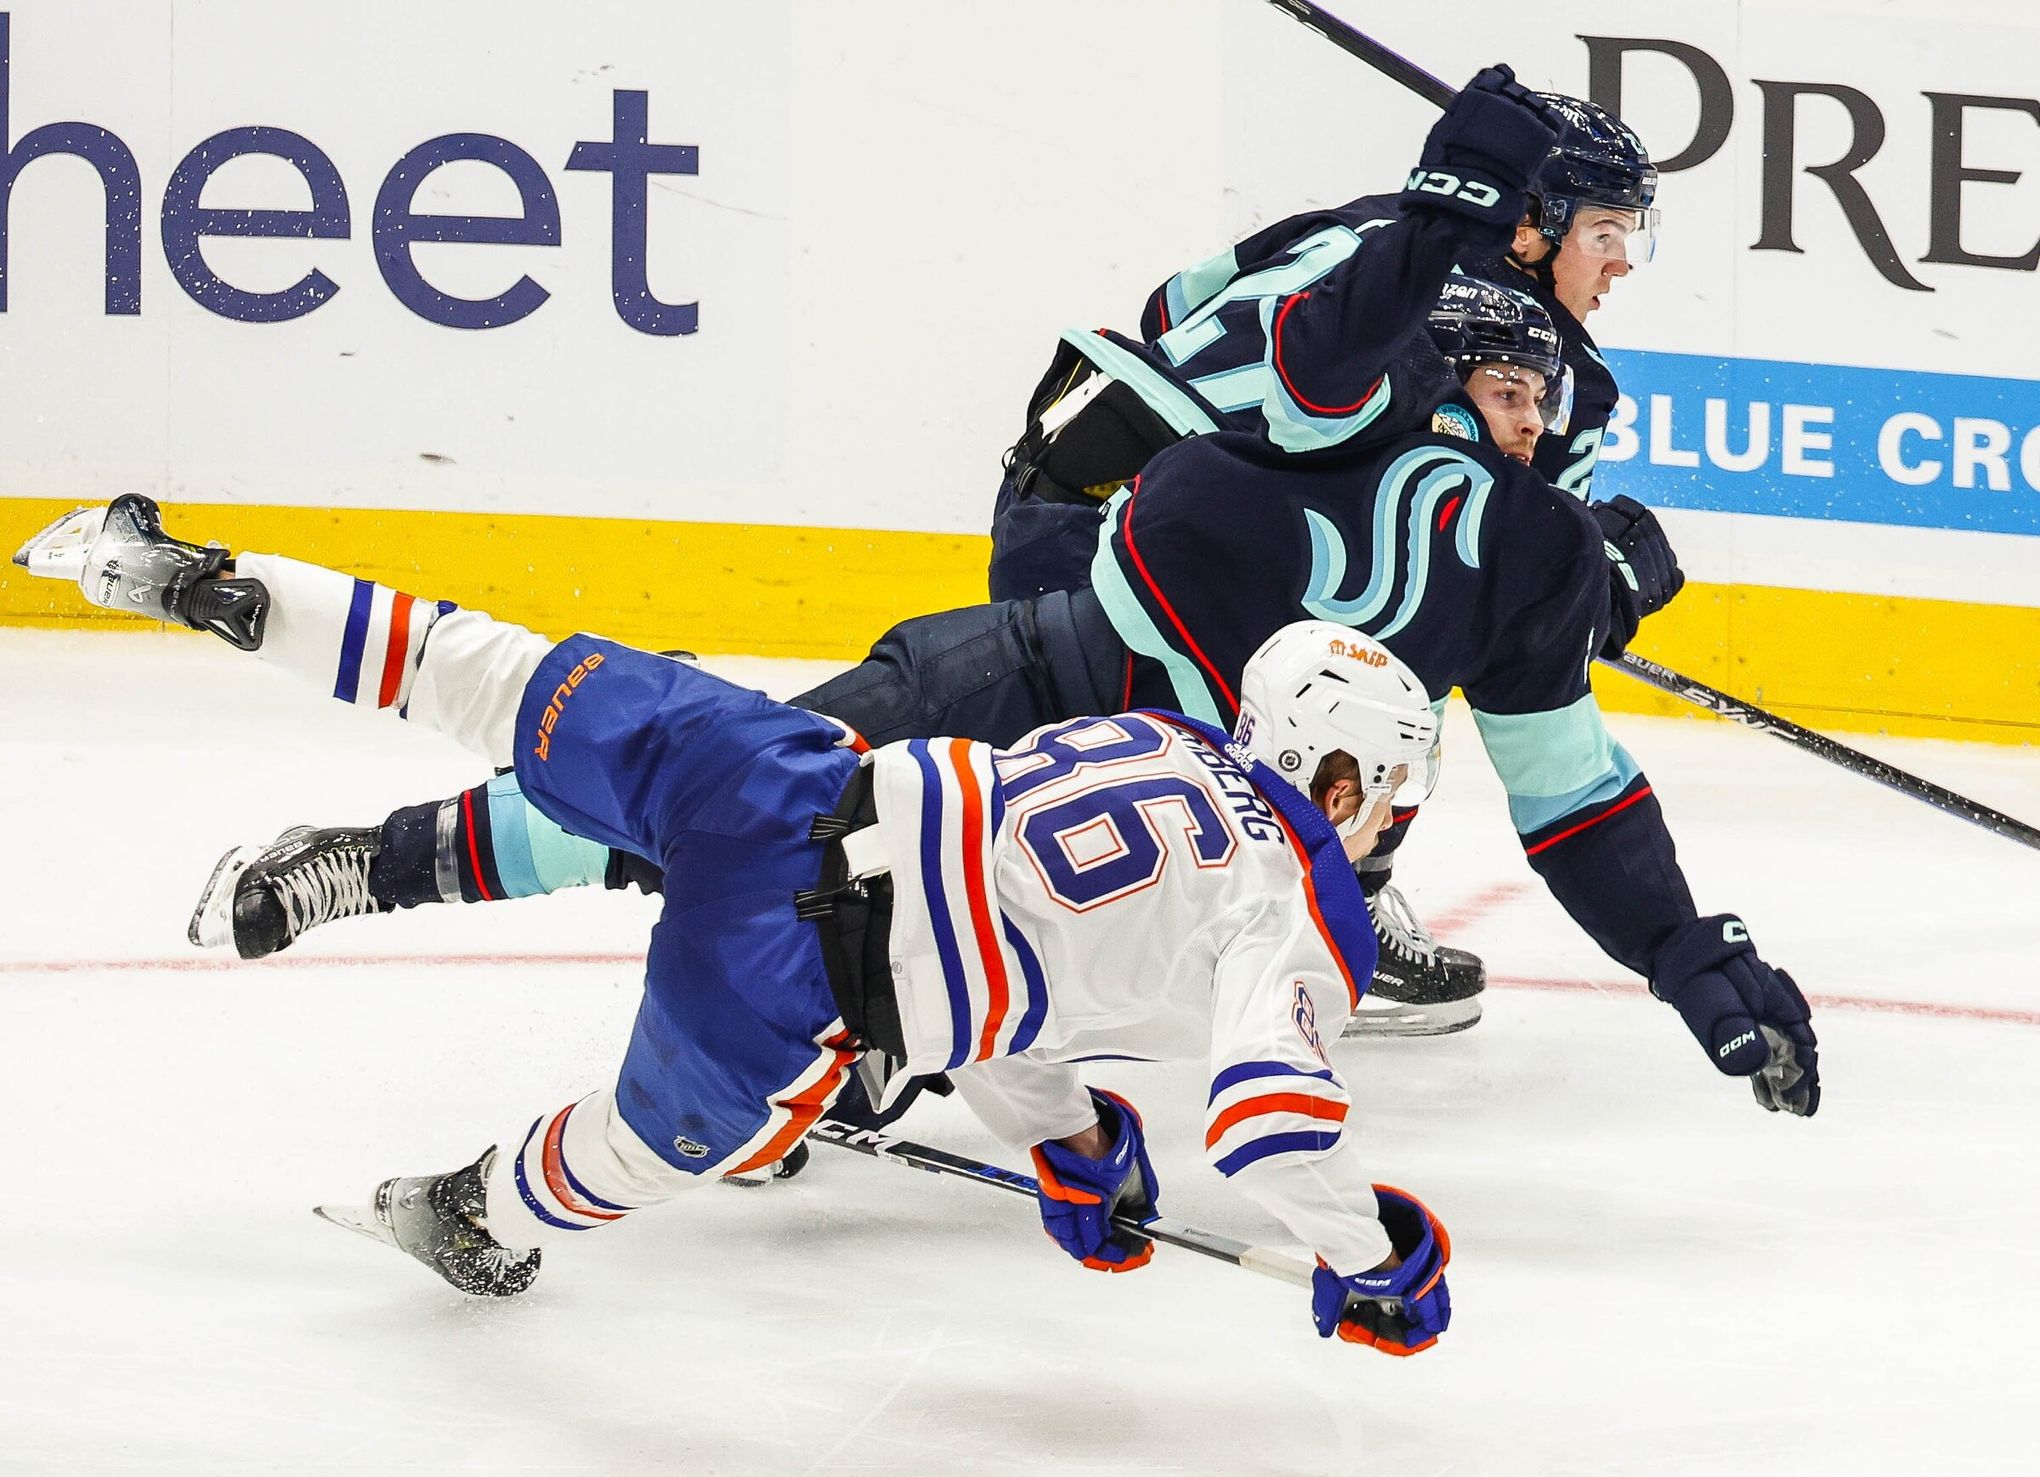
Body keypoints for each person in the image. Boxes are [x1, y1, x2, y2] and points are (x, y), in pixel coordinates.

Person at [169, 63, 1578, 1045]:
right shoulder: (1379, 341)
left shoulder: (1469, 425)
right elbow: (1273, 355)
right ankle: (383, 862)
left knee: (1310, 736)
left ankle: (864, 1017)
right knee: (758, 793)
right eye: (1511, 399)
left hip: (1166, 644)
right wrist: (1450, 200)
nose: (1533, 428)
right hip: (1081, 566)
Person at [14, 500, 1455, 1355]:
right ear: (1342, 776)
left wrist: (1071, 1144)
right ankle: (469, 1209)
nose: (1388, 822)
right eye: (1389, 792)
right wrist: (1370, 1255)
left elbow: (1014, 960)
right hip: (793, 981)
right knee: (646, 1147)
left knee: (481, 665)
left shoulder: (1161, 738)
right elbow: (1269, 1122)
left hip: (777, 771)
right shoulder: (1301, 897)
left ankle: (189, 576)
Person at [1088, 273, 1819, 1119]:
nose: (1534, 424)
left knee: (1386, 727)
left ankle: (1326, 905)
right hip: (1059, 647)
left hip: (1132, 736)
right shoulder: (1294, 446)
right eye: (1509, 392)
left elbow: (1570, 788)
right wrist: (1572, 585)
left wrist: (1675, 941)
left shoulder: (1493, 530)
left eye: (1539, 399)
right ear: (1436, 386)